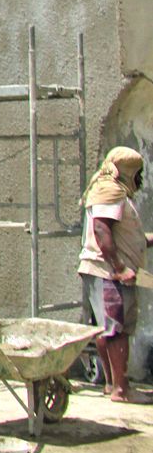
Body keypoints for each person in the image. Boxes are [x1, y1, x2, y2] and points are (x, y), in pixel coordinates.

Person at [78, 145, 153, 404]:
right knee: (116, 330)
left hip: (107, 271)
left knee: (108, 328)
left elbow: (121, 235)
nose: (140, 178)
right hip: (108, 273)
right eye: (138, 173)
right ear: (128, 171)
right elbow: (102, 231)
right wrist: (120, 268)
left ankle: (113, 385)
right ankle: (122, 390)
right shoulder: (110, 193)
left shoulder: (115, 193)